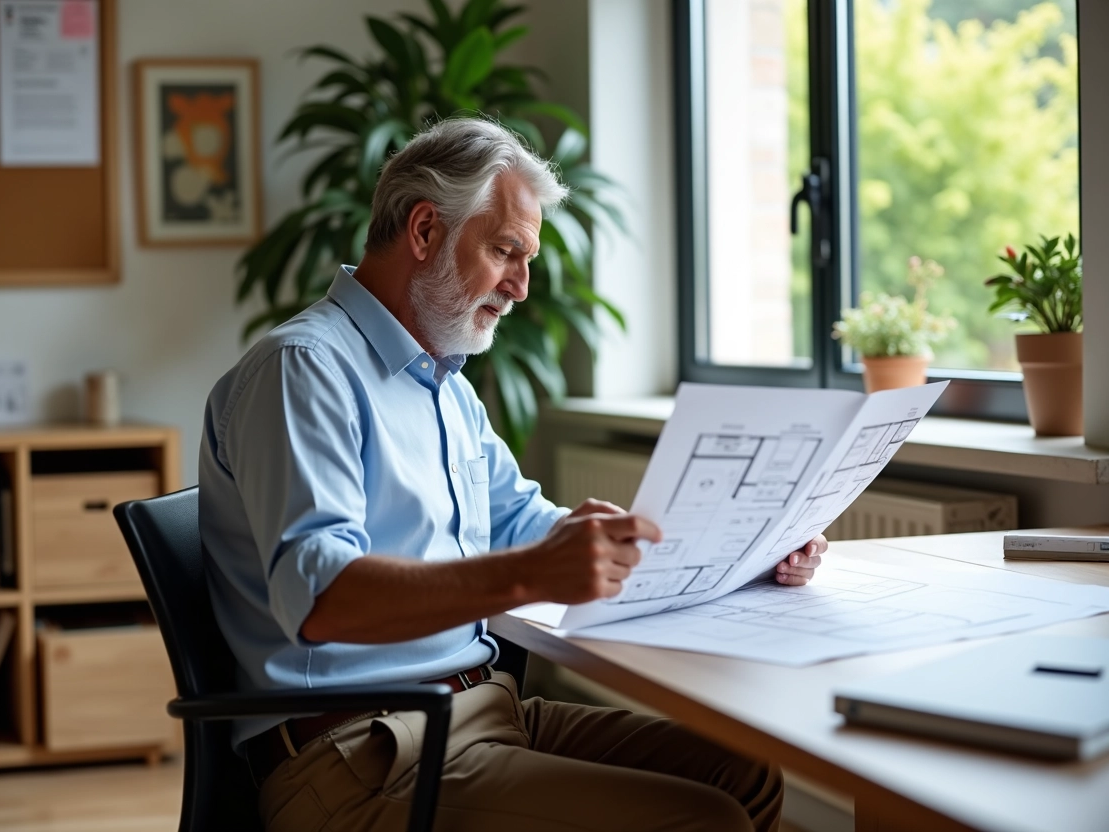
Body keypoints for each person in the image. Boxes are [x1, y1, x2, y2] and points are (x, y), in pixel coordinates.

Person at [199, 117, 826, 832]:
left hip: (479, 710)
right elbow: (319, 599)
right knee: (699, 819)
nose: (522, 286)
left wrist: (742, 543)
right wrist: (532, 572)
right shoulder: (305, 370)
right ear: (426, 231)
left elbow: (532, 525)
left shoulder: (444, 387)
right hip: (359, 756)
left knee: (741, 772)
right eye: (505, 251)